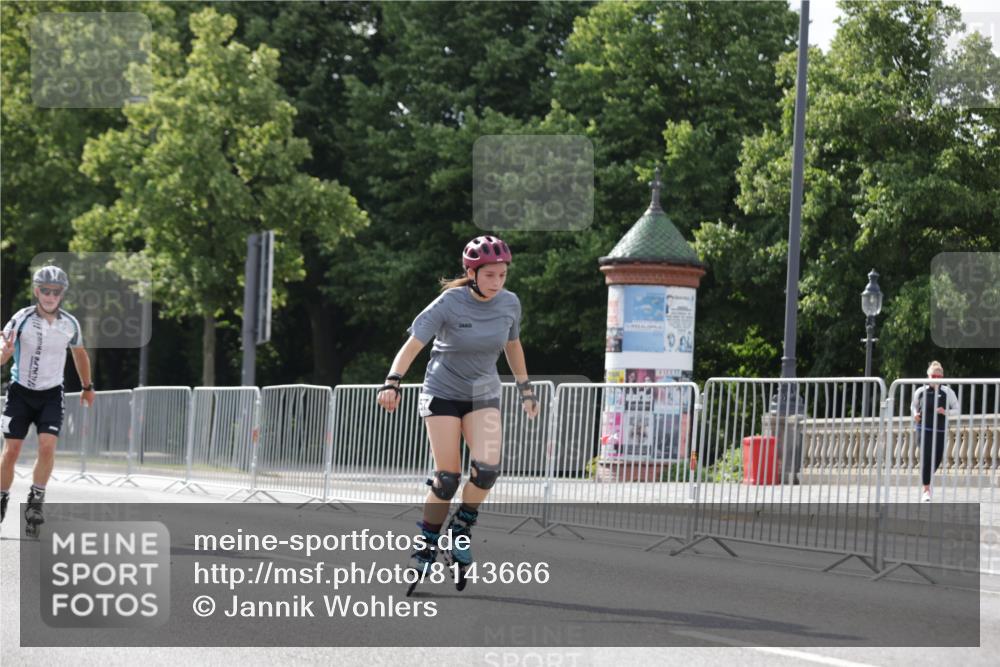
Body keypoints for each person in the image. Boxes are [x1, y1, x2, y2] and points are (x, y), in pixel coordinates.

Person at [376, 235, 538, 577]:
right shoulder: (449, 303)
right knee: (447, 478)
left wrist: (525, 388)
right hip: (442, 391)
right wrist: (392, 381)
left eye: (503, 275)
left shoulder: (510, 303)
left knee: (488, 470)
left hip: (483, 394)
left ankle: (460, 529)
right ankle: (426, 543)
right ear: (472, 272)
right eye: (490, 275)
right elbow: (413, 344)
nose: (497, 282)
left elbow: (513, 345)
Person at [0, 266, 95, 532]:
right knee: (12, 452)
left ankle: (36, 501)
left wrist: (88, 387)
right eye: (45, 290)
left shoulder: (70, 323)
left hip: (52, 394)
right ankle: (1, 497)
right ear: (36, 290)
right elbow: (2, 352)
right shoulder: (21, 318)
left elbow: (80, 355)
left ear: (62, 293)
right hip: (20, 392)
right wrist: (5, 353)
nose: (50, 295)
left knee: (46, 447)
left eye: (55, 291)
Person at [910, 361, 959, 503]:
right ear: (928, 376)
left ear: (942, 377)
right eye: (933, 376)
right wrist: (915, 414)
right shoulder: (920, 391)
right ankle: (926, 490)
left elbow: (957, 409)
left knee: (936, 458)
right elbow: (913, 406)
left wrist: (946, 411)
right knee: (926, 457)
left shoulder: (947, 392)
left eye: (939, 377)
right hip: (923, 429)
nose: (936, 379)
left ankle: (927, 479)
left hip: (940, 430)